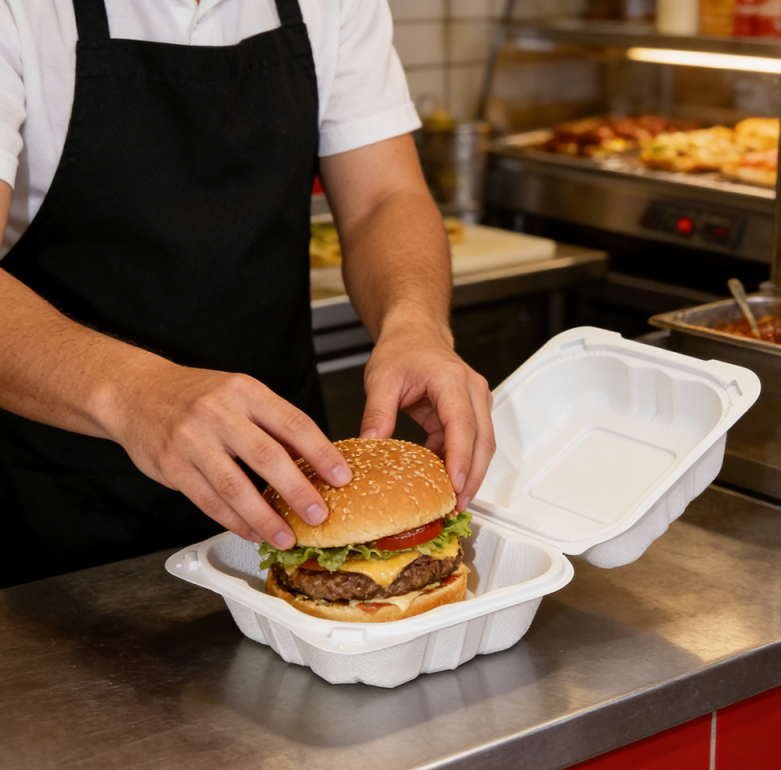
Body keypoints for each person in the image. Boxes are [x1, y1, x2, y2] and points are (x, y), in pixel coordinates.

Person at [0, 0, 496, 589]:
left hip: (289, 491)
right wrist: (131, 392)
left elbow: (383, 196)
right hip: (57, 512)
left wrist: (416, 324)